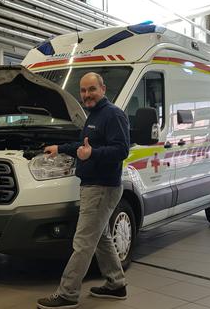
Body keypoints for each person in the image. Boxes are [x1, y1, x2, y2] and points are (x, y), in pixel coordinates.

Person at [37, 72, 130, 308]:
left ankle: (67, 293)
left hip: (102, 187)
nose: (86, 95)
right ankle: (116, 284)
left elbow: (121, 150)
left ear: (103, 89)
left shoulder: (113, 114)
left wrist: (93, 154)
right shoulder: (93, 116)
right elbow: (84, 146)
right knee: (101, 238)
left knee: (83, 242)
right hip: (92, 185)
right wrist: (60, 148)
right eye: (83, 90)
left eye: (91, 89)